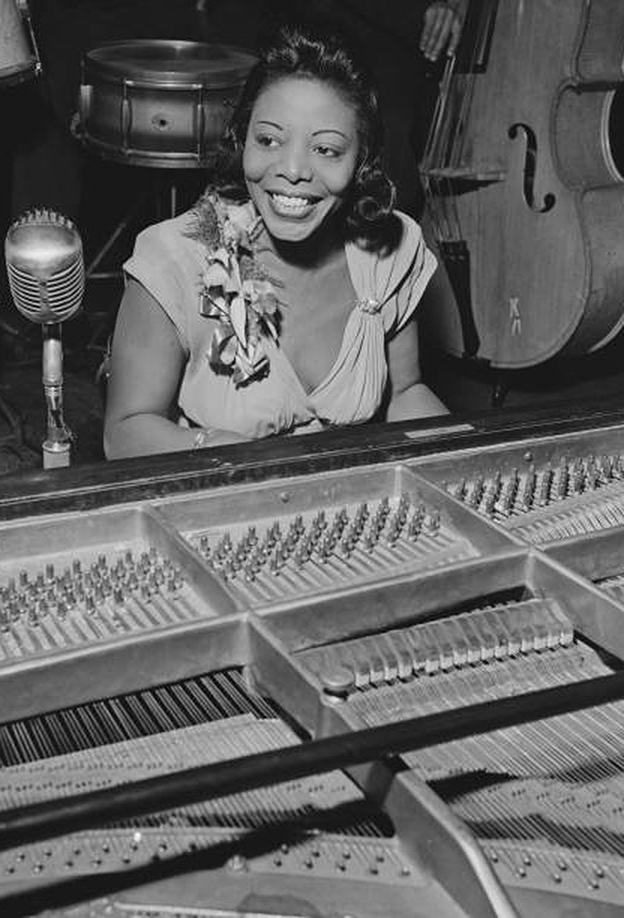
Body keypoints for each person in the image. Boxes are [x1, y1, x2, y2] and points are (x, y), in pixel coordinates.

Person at [103, 22, 449, 460]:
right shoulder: (173, 258)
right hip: (220, 492)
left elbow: (405, 394)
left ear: (361, 160)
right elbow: (125, 433)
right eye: (268, 140)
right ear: (242, 138)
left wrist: (480, 461)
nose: (292, 169)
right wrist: (230, 456)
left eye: (325, 149)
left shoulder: (390, 252)